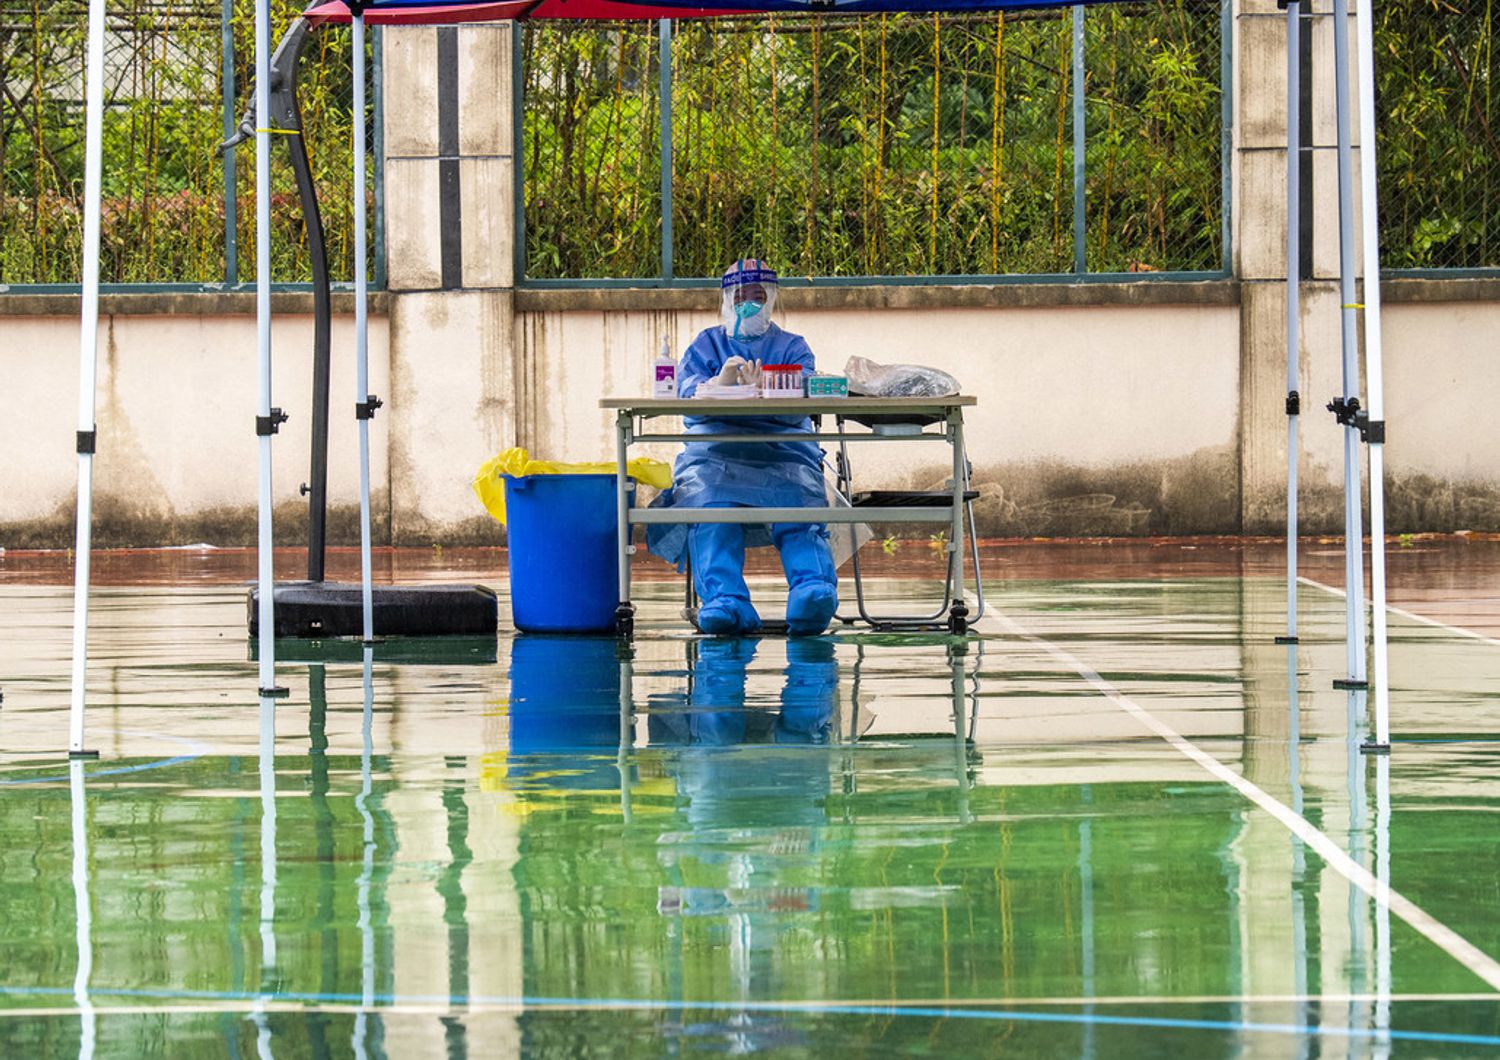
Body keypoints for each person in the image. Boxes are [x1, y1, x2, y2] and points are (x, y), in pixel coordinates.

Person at [646, 259, 839, 636]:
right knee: (713, 512)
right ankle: (724, 602)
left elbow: (808, 390)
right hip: (716, 457)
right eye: (740, 296)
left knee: (798, 510)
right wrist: (718, 382)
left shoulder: (792, 347)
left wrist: (770, 387)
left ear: (771, 299)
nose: (748, 303)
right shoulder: (706, 344)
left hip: (783, 455)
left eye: (757, 295)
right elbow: (685, 390)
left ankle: (812, 592)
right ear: (726, 299)